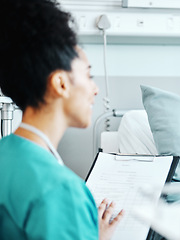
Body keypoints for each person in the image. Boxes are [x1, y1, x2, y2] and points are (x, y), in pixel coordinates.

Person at [0, 0, 123, 239]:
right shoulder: (61, 190)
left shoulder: (5, 155)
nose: (95, 89)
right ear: (61, 84)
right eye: (88, 75)